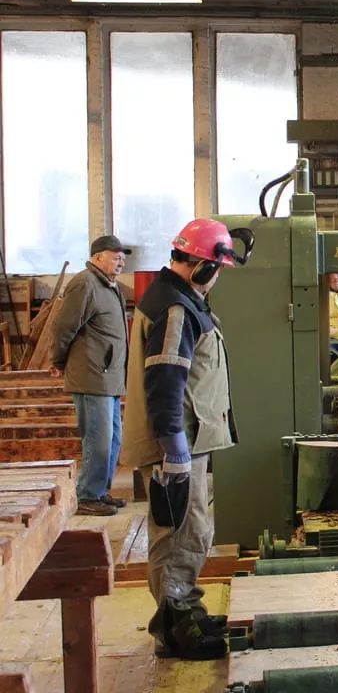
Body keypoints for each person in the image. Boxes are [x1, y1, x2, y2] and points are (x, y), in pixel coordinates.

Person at [122, 217, 252, 660]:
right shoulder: (176, 308)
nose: (216, 279)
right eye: (215, 269)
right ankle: (177, 631)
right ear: (200, 266)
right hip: (178, 443)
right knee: (179, 534)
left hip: (186, 438)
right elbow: (166, 376)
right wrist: (173, 444)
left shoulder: (177, 299)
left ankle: (185, 613)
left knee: (189, 528)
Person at [47, 235, 133, 516]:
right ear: (98, 258)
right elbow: (63, 327)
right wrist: (58, 360)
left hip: (108, 378)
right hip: (91, 376)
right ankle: (86, 495)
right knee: (97, 438)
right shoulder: (85, 283)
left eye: (123, 257)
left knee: (112, 440)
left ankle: (99, 492)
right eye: (115, 256)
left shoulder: (110, 286)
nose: (121, 261)